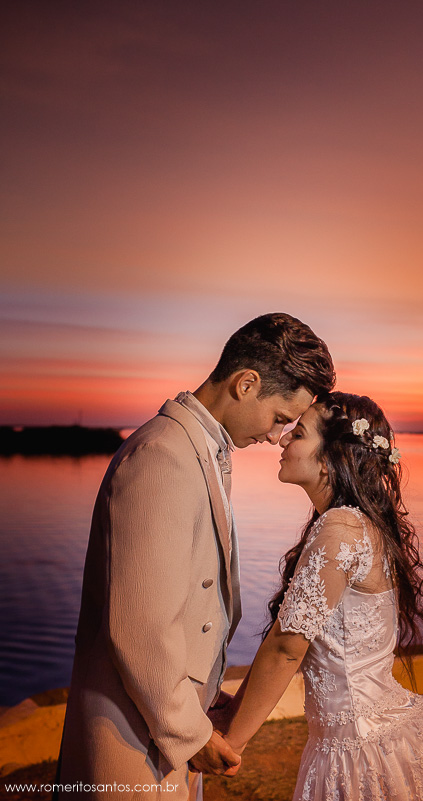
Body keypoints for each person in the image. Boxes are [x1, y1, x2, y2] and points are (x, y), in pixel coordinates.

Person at [54, 312, 335, 801]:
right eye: (279, 419)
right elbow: (140, 624)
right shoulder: (163, 456)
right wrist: (190, 731)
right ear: (246, 383)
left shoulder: (199, 449)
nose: (275, 437)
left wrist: (202, 696)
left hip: (159, 718)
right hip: (131, 732)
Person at [220, 392, 423, 801]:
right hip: (377, 734)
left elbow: (288, 646)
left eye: (300, 433)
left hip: (363, 748)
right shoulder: (357, 524)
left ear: (330, 460)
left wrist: (231, 741)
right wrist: (233, 709)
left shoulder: (341, 528)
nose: (283, 439)